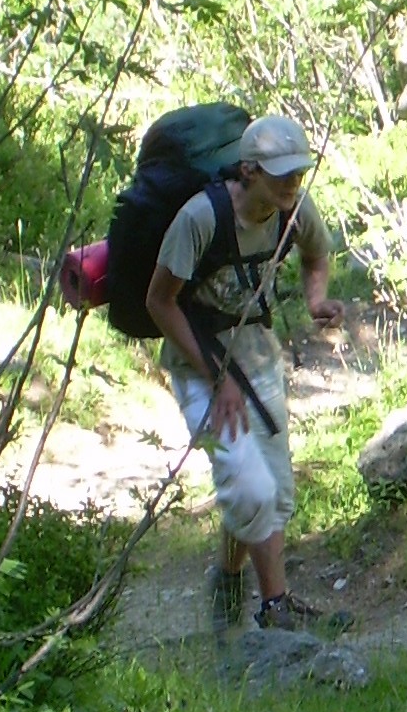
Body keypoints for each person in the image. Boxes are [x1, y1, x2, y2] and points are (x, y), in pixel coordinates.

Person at [147, 113, 343, 629]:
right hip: (200, 368)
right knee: (251, 491)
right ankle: (275, 607)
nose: (292, 182)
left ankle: (227, 583)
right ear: (249, 169)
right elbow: (159, 302)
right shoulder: (200, 218)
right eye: (280, 173)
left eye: (297, 172)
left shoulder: (293, 209)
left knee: (272, 494)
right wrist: (216, 379)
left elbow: (317, 254)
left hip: (258, 360)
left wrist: (316, 298)